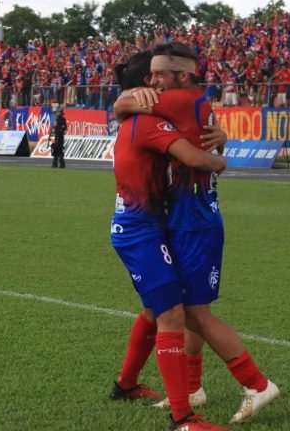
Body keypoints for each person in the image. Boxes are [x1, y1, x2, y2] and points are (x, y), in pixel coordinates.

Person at [115, 42, 279, 427]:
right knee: (181, 310)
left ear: (183, 76)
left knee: (191, 313)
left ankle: (255, 385)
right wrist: (221, 147)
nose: (154, 81)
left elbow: (121, 107)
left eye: (160, 74)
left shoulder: (170, 103)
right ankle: (188, 389)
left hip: (193, 223)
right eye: (150, 76)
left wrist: (125, 98)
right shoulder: (189, 102)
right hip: (182, 220)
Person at [110, 50, 229, 431]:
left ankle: (125, 385)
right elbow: (195, 157)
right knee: (172, 314)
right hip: (140, 230)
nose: (158, 82)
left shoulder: (145, 116)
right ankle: (183, 418)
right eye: (153, 76)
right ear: (145, 84)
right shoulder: (147, 121)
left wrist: (221, 135)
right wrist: (221, 160)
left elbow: (195, 128)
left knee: (154, 310)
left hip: (150, 226)